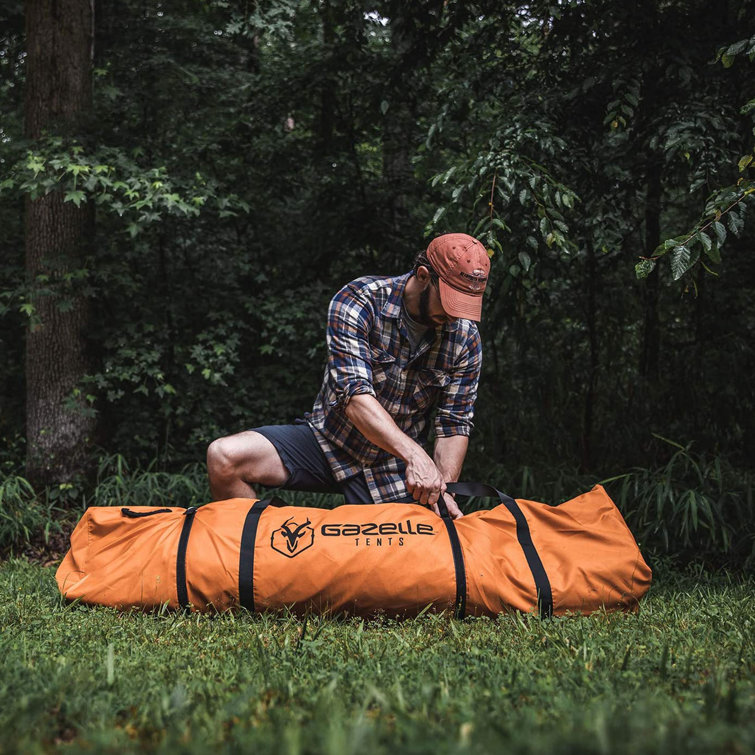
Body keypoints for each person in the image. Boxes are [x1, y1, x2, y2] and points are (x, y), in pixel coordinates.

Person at [207, 232, 489, 519]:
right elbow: (355, 398)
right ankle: (266, 552)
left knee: (416, 552)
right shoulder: (361, 300)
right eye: (451, 302)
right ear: (424, 275)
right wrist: (416, 456)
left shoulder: (465, 339)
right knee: (224, 457)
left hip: (393, 466)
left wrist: (442, 488)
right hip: (329, 441)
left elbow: (453, 425)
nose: (456, 316)